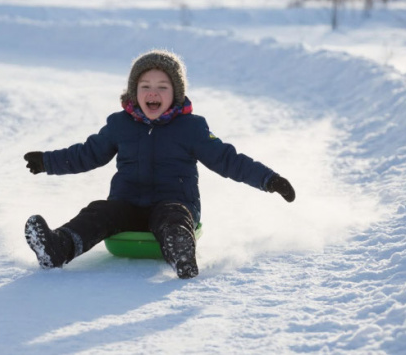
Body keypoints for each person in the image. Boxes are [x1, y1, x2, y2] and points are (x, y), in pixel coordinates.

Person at [23, 50, 295, 279]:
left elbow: (227, 159)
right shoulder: (120, 125)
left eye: (162, 87)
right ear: (134, 92)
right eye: (145, 86)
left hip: (173, 202)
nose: (153, 92)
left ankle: (181, 253)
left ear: (175, 93)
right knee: (98, 211)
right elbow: (87, 153)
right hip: (126, 205)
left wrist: (269, 180)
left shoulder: (192, 128)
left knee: (173, 215)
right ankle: (59, 246)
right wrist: (47, 161)